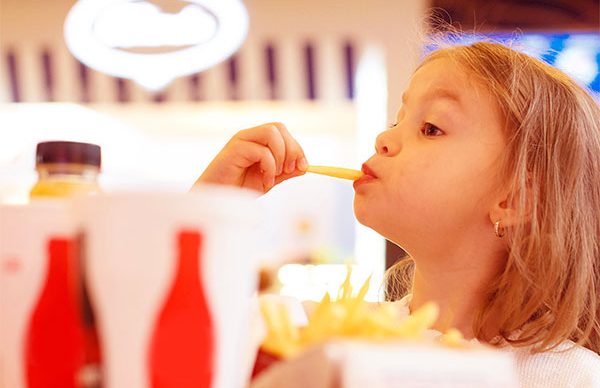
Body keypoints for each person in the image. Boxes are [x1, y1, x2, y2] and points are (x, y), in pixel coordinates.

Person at [194, 41, 600, 386]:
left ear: (515, 200)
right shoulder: (314, 341)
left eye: (431, 128)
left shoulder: (572, 378)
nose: (384, 138)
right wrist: (208, 209)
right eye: (397, 120)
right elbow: (178, 348)